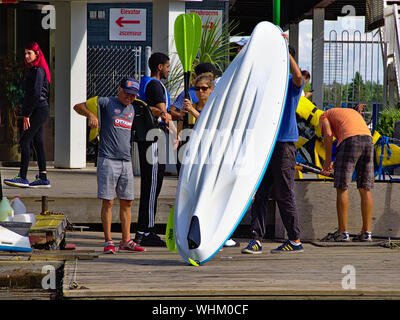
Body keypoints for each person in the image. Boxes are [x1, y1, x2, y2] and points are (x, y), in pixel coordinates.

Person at [242, 33, 305, 254]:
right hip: (264, 146)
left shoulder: (290, 83)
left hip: (284, 145)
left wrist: (284, 50)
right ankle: (256, 239)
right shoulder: (266, 85)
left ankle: (295, 240)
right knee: (260, 193)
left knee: (283, 193)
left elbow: (298, 77)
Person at [73, 78, 145, 254]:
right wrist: (91, 115)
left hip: (126, 160)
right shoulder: (106, 102)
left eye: (133, 95)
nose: (130, 97)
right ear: (119, 90)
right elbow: (77, 106)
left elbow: (152, 112)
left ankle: (126, 240)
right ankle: (108, 240)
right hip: (108, 159)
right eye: (127, 93)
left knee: (127, 201)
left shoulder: (133, 108)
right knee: (108, 201)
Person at [182, 74, 239, 248]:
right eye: (197, 89)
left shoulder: (216, 107)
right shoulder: (189, 107)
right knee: (194, 194)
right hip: (193, 156)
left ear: (211, 90)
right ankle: (191, 232)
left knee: (211, 193)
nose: (200, 92)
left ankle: (220, 234)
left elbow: (210, 125)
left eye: (204, 89)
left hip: (213, 157)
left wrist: (192, 111)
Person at [319, 105, 374, 242]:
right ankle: (366, 233)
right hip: (368, 140)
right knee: (365, 187)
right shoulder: (349, 113)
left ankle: (343, 232)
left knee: (342, 187)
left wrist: (327, 162)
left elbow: (328, 134)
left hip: (350, 141)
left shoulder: (323, 116)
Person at [134, 52, 172, 247]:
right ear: (159, 67)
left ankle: (145, 229)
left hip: (147, 138)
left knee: (151, 184)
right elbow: (161, 112)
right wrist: (171, 121)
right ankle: (145, 231)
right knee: (152, 185)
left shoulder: (145, 82)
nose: (168, 69)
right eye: (167, 66)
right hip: (154, 138)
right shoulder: (155, 85)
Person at [4, 42, 51, 189]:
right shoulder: (35, 69)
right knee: (37, 141)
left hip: (38, 109)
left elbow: (36, 94)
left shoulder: (39, 70)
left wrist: (27, 114)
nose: (26, 56)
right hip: (39, 109)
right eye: (25, 53)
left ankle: (22, 177)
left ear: (37, 54)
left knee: (24, 141)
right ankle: (43, 177)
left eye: (29, 53)